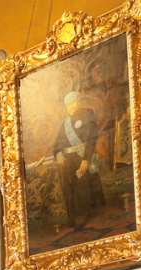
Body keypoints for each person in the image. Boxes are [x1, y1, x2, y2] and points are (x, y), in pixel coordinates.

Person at [53, 91, 106, 230]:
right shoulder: (65, 123)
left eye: (73, 103)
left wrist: (86, 160)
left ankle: (84, 214)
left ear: (79, 103)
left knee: (82, 183)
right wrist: (58, 154)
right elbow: (57, 144)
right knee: (66, 184)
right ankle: (72, 216)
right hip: (67, 159)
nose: (71, 106)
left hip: (83, 156)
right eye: (68, 104)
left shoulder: (88, 115)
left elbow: (91, 139)